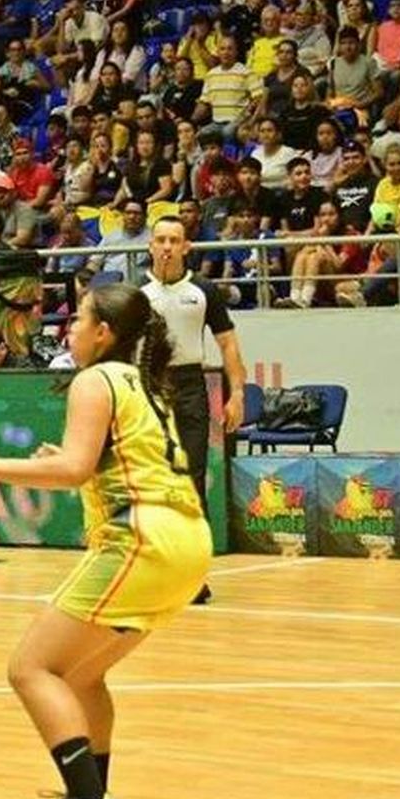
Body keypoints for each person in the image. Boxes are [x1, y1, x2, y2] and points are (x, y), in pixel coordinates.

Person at [0, 283, 212, 799]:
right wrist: (64, 467)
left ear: (103, 332)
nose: (68, 330)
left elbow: (76, 466)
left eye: (78, 320)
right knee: (81, 676)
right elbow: (100, 466)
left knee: (29, 668)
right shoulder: (142, 382)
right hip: (185, 540)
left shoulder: (95, 378)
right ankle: (89, 795)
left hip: (143, 538)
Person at [139, 215, 246, 604]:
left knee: (191, 480)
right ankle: (151, 571)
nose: (167, 246)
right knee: (150, 481)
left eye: (175, 240)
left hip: (189, 388)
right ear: (150, 246)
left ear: (187, 247)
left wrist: (237, 395)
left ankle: (193, 577)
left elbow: (229, 346)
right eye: (160, 240)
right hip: (147, 387)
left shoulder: (203, 291)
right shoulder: (135, 291)